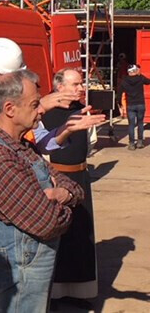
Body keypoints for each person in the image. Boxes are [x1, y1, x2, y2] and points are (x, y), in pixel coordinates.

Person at [0, 37, 103, 312]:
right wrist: (38, 105)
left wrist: (66, 130)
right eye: (15, 77)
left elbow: (40, 142)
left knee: (17, 288)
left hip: (18, 204)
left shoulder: (19, 109)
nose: (20, 83)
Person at [0, 70, 84, 312]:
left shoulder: (20, 145)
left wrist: (62, 195)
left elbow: (73, 188)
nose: (41, 110)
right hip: (21, 268)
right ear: (10, 109)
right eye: (34, 105)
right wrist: (67, 207)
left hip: (32, 265)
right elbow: (46, 222)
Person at [43, 68, 98, 303]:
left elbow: (90, 143)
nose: (80, 88)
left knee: (80, 234)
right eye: (75, 84)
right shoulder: (45, 113)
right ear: (59, 87)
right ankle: (53, 295)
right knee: (58, 235)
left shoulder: (81, 109)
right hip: (57, 179)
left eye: (81, 84)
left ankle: (78, 291)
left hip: (81, 178)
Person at [119, 64, 150, 150]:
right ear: (135, 70)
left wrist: (119, 104)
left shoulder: (124, 80)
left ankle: (132, 143)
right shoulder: (140, 78)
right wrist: (139, 74)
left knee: (131, 125)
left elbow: (119, 93)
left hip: (130, 105)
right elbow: (148, 81)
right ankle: (140, 142)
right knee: (140, 123)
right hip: (140, 104)